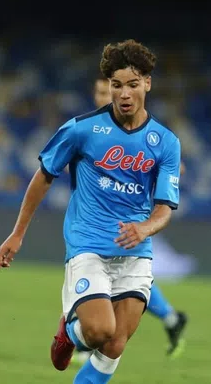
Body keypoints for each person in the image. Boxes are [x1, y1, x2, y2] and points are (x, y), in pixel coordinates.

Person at [0, 39, 181, 383]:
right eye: (116, 85)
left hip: (135, 252)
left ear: (147, 83)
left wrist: (144, 229)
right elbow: (44, 176)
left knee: (115, 345)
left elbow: (164, 209)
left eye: (132, 84)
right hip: (88, 244)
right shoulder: (81, 129)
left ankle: (74, 335)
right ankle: (69, 332)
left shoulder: (166, 142)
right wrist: (17, 233)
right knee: (99, 331)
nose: (124, 94)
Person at [69, 77, 188, 366]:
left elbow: (171, 164)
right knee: (106, 282)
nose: (105, 97)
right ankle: (170, 318)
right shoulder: (88, 129)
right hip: (91, 221)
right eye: (101, 92)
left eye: (107, 91)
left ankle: (84, 337)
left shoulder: (143, 133)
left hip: (127, 223)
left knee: (124, 282)